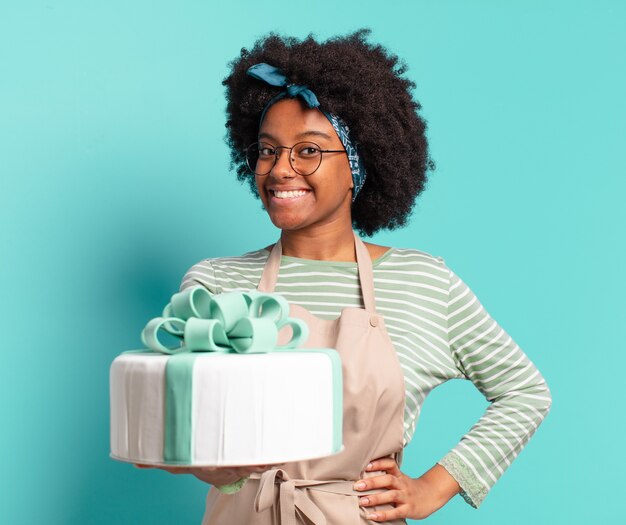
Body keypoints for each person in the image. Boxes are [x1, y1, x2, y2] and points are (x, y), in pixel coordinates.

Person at [139, 28, 552, 523]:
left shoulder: (424, 282)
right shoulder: (214, 284)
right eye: (268, 150)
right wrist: (212, 463)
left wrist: (433, 489)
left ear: (358, 164)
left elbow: (525, 392)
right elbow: (183, 427)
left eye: (308, 150)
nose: (280, 170)